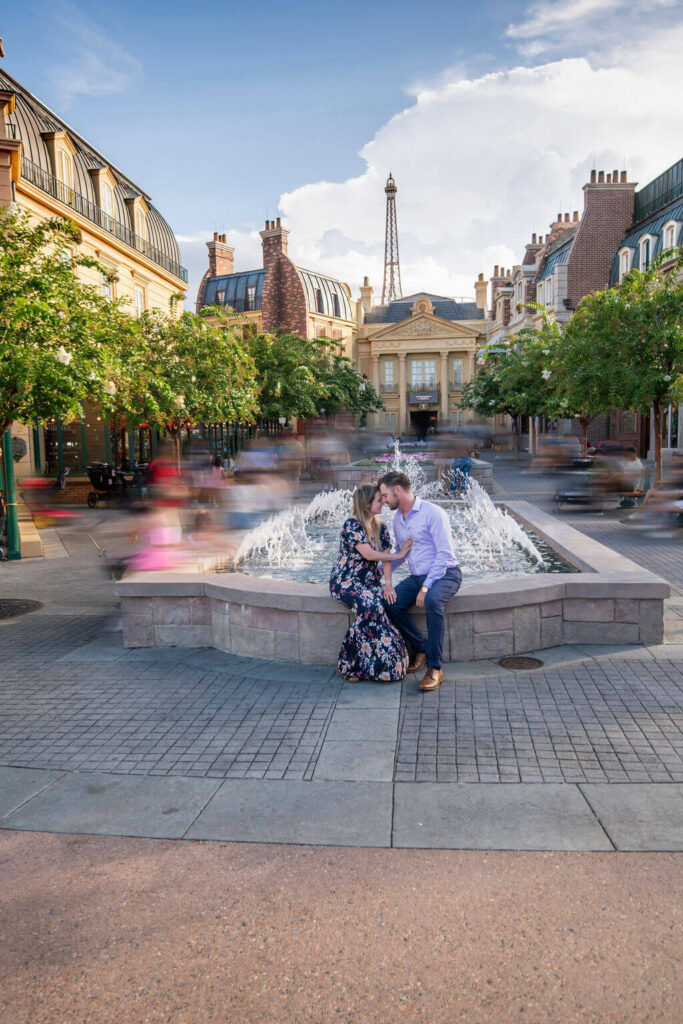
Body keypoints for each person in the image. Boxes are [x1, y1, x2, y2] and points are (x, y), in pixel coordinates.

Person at [378, 470, 462, 692]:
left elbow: (444, 554)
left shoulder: (433, 513)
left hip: (446, 573)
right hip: (418, 577)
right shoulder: (398, 519)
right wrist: (375, 571)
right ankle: (422, 648)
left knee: (433, 601)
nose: (383, 500)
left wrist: (426, 587)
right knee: (390, 602)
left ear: (398, 490)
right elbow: (400, 553)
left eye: (385, 495)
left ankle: (435, 668)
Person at [329, 485, 412, 682]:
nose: (383, 501)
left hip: (370, 582)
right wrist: (398, 554)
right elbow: (368, 554)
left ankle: (387, 662)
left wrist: (389, 584)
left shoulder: (381, 527)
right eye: (378, 499)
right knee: (370, 607)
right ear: (367, 505)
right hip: (346, 581)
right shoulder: (352, 525)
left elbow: (385, 559)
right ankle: (347, 664)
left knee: (383, 606)